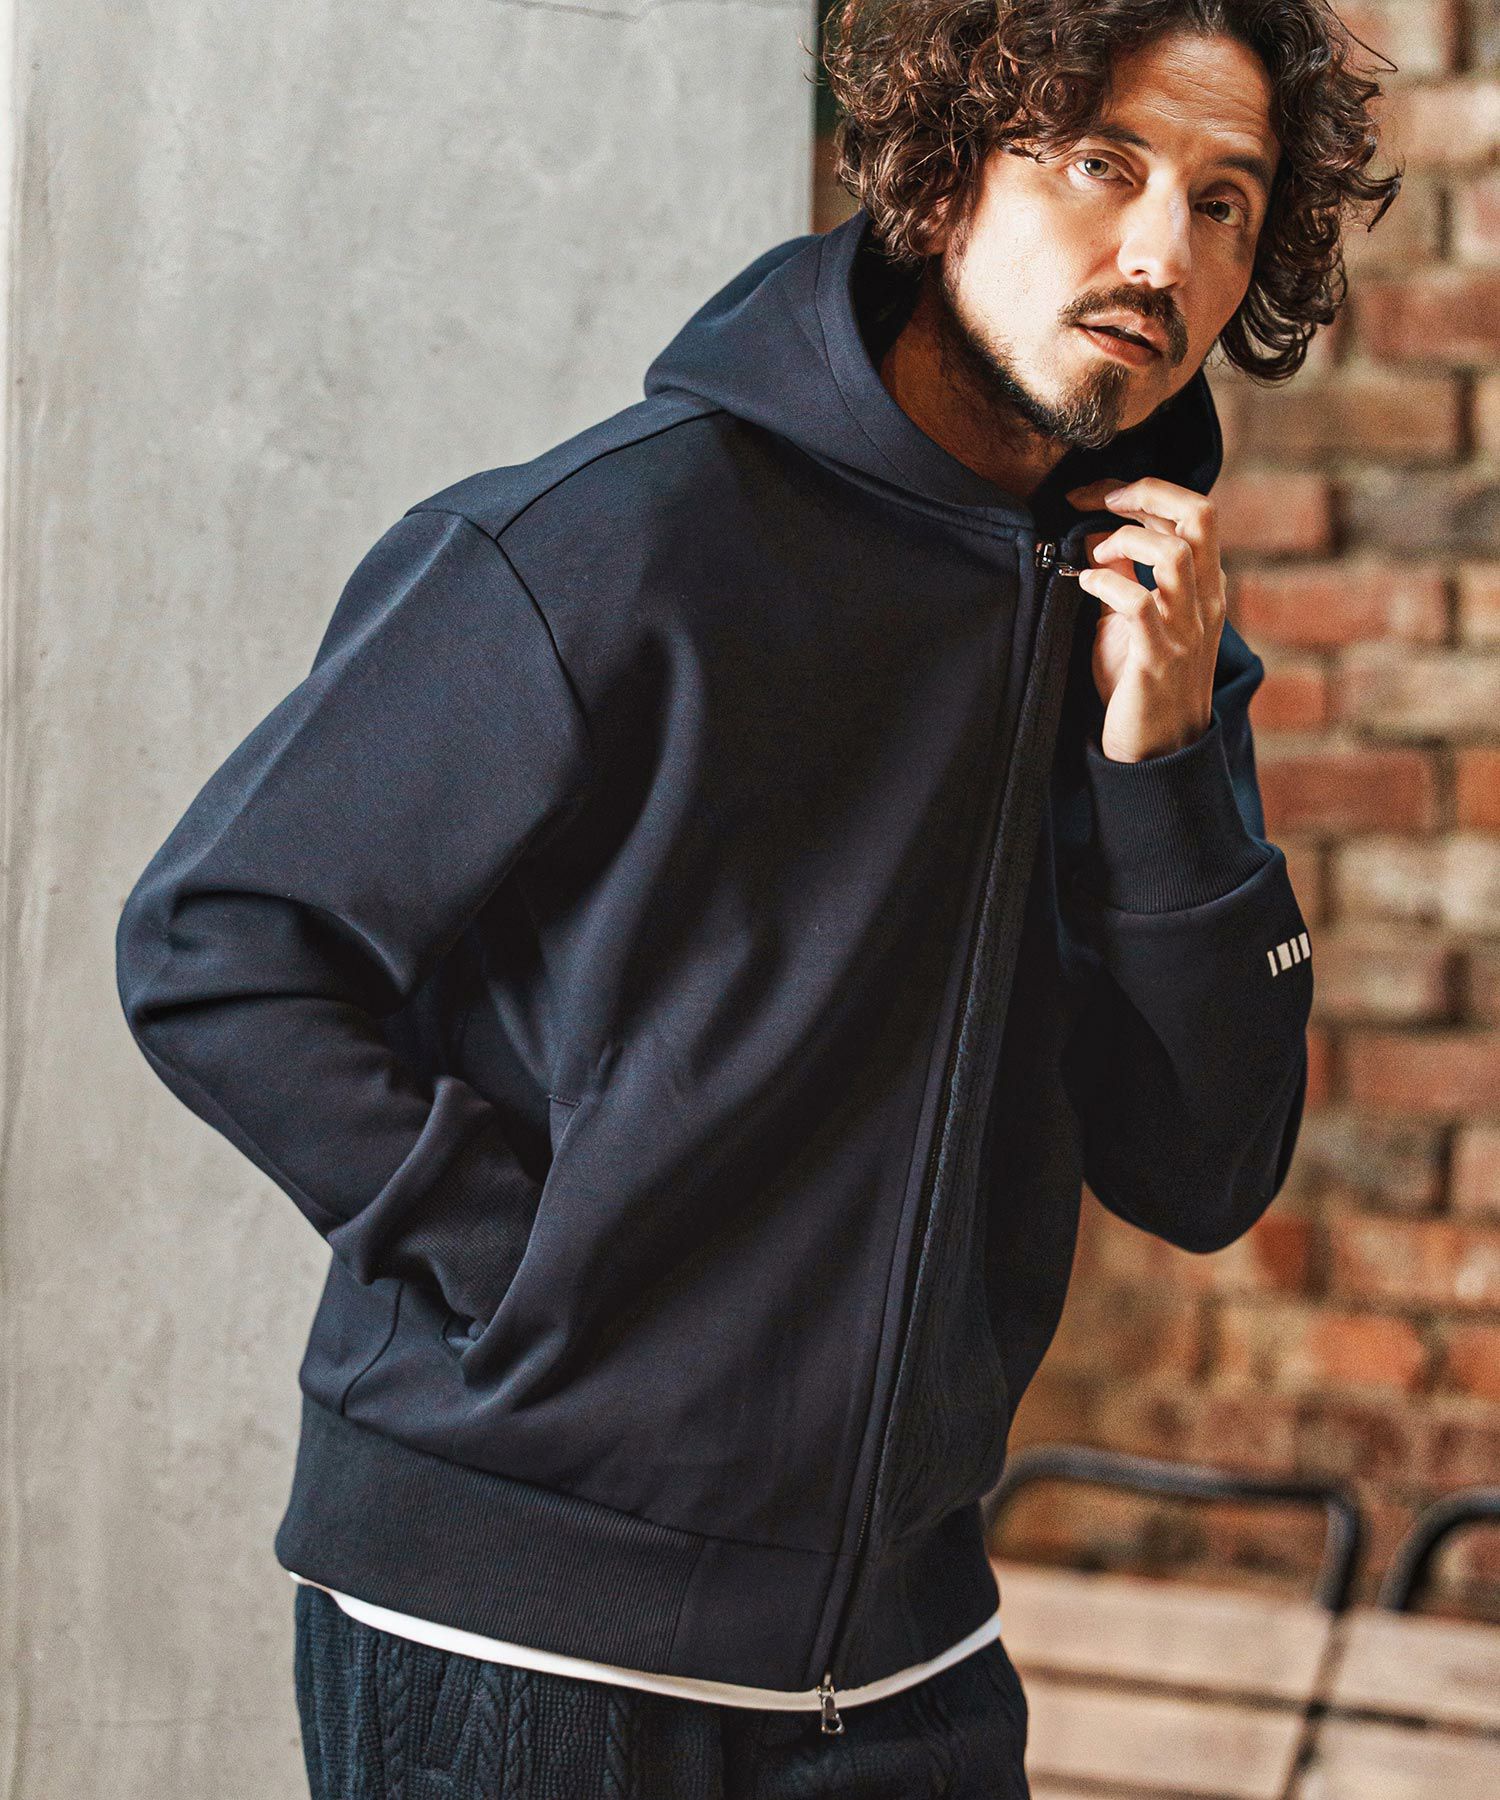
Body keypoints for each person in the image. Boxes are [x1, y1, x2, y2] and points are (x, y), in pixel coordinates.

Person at [114, 1, 1399, 1794]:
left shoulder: (1149, 644)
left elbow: (1204, 1169)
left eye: (1222, 202)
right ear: (948, 175)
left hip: (909, 1661)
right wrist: (531, 1267)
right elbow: (217, 945)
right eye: (1101, 162)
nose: (1159, 252)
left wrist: (1165, 764)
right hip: (521, 1645)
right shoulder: (615, 543)